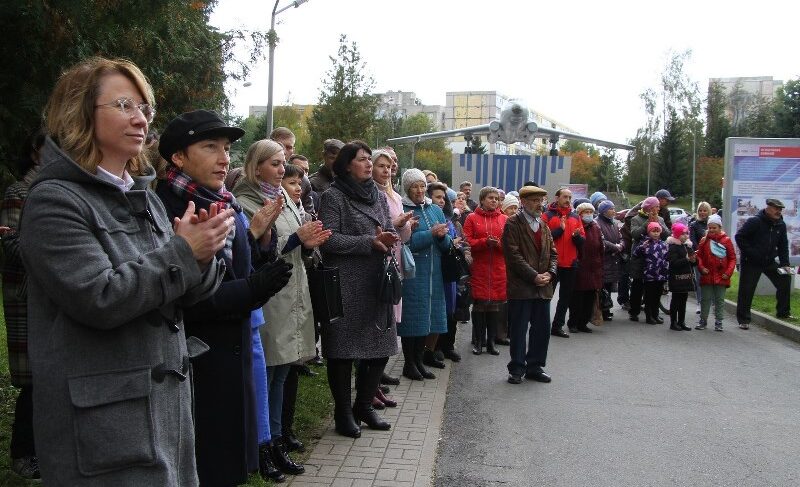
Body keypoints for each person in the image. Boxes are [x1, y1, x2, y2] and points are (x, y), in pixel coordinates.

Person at [19, 57, 233, 485]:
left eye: (144, 108)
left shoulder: (145, 196)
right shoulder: (54, 202)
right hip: (105, 427)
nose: (141, 119)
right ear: (79, 112)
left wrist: (204, 254)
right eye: (124, 105)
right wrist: (182, 253)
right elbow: (99, 297)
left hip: (163, 413)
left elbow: (184, 294)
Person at [157, 110, 294, 485]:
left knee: (229, 459)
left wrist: (261, 244)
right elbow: (186, 295)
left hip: (234, 348)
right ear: (179, 158)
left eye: (228, 148)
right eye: (210, 147)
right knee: (206, 462)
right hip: (198, 357)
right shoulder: (169, 207)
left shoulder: (224, 200)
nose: (224, 158)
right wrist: (252, 289)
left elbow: (236, 264)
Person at [234, 141, 331, 476]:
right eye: (275, 164)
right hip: (270, 297)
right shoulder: (246, 201)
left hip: (292, 291)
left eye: (284, 163)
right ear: (256, 165)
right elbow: (256, 250)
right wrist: (295, 240)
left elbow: (293, 242)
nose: (282, 170)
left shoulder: (284, 198)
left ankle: (276, 438)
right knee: (269, 372)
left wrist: (306, 244)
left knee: (284, 370)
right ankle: (263, 444)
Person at [318, 140, 399, 438]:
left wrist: (388, 236)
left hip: (376, 282)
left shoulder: (377, 195)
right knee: (342, 353)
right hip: (346, 283)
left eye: (369, 159)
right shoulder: (333, 196)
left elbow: (387, 226)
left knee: (380, 348)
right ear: (346, 164)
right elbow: (327, 239)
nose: (368, 164)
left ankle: (363, 405)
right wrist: (368, 242)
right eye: (362, 159)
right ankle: (342, 413)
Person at [1, 130, 45, 480]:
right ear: (35, 152)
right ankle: (23, 453)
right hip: (27, 296)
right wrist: (58, 248)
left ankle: (39, 449)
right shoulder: (20, 192)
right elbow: (12, 246)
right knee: (34, 377)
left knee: (48, 373)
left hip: (47, 295)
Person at [397, 170, 452, 378]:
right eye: (414, 186)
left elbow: (445, 245)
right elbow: (406, 242)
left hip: (434, 273)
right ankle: (408, 363)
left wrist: (441, 236)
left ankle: (419, 360)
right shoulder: (403, 209)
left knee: (427, 318)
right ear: (406, 188)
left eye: (422, 185)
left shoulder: (435, 209)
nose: (419, 190)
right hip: (413, 272)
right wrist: (431, 234)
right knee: (412, 318)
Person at [502, 184, 558, 384]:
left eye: (541, 200)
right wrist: (533, 275)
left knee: (542, 328)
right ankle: (517, 368)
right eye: (534, 200)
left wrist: (550, 273)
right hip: (522, 287)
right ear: (523, 202)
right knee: (518, 328)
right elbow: (513, 256)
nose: (539, 204)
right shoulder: (512, 224)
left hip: (543, 287)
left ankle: (535, 366)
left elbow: (553, 253)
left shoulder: (543, 225)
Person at [371, 149, 414, 403]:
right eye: (381, 165)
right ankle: (371, 385)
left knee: (390, 322)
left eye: (390, 166)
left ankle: (376, 380)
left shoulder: (394, 195)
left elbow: (402, 236)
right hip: (381, 261)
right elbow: (383, 227)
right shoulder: (373, 194)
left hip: (394, 261)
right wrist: (396, 225)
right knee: (380, 323)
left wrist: (405, 225)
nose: (387, 170)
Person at [735, 198, 793, 328]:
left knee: (784, 279)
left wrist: (785, 264)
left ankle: (783, 312)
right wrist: (752, 253)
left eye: (780, 209)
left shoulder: (780, 224)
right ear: (768, 208)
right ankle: (744, 320)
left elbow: (783, 245)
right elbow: (740, 237)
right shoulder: (755, 221)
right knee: (747, 290)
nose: (778, 212)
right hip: (751, 262)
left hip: (769, 261)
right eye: (776, 209)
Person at [463, 186, 507, 355]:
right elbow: (467, 241)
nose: (494, 200)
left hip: (497, 268)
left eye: (496, 198)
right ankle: (478, 341)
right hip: (479, 267)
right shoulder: (472, 218)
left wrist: (498, 245)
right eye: (490, 197)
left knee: (495, 306)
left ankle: (491, 342)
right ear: (482, 200)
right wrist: (484, 242)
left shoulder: (504, 219)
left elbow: (510, 246)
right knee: (480, 305)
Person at [435, 186, 472, 362]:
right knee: (438, 310)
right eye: (438, 198)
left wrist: (463, 250)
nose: (442, 201)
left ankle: (448, 345)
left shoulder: (453, 222)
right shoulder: (430, 218)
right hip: (437, 270)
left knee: (453, 309)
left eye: (445, 199)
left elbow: (464, 242)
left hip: (453, 271)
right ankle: (436, 347)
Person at [543, 188, 585, 337]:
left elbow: (582, 240)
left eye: (570, 197)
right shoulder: (547, 215)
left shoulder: (575, 217)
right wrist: (559, 231)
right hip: (552, 263)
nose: (567, 199)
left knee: (565, 297)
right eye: (565, 196)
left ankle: (557, 326)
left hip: (570, 263)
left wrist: (577, 237)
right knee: (547, 296)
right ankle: (542, 325)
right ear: (557, 197)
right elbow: (541, 238)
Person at [627, 197, 669, 322]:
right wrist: (647, 223)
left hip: (655, 260)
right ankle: (634, 311)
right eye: (656, 206)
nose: (658, 208)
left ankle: (653, 312)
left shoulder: (660, 219)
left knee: (654, 289)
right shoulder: (636, 219)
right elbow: (634, 234)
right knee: (637, 285)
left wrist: (658, 223)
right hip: (640, 258)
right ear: (649, 208)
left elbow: (667, 233)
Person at [567, 202, 604, 333]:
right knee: (577, 297)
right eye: (585, 212)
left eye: (590, 212)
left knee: (590, 297)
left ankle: (584, 322)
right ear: (579, 214)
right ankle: (573, 323)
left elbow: (600, 246)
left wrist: (600, 263)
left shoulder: (596, 227)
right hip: (580, 266)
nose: (589, 215)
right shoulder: (576, 225)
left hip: (594, 266)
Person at [696, 214, 736, 331]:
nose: (712, 230)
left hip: (722, 275)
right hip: (707, 274)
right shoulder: (704, 240)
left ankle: (719, 321)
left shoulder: (726, 241)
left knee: (719, 299)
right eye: (710, 228)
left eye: (715, 227)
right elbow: (699, 256)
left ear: (719, 227)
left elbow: (732, 258)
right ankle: (703, 320)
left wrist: (728, 273)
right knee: (705, 299)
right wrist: (702, 268)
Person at [634, 222, 670, 324]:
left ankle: (655, 314)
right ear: (649, 232)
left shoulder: (663, 244)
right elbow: (635, 254)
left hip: (661, 275)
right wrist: (642, 247)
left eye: (657, 231)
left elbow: (667, 258)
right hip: (649, 274)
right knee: (649, 296)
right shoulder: (645, 243)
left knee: (657, 296)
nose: (655, 233)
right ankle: (649, 316)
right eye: (653, 231)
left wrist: (666, 270)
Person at [595, 200, 624, 321]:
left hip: (613, 259)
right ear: (604, 211)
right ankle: (601, 310)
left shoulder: (614, 223)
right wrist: (615, 247)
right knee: (602, 286)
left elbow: (621, 237)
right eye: (611, 208)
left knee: (608, 284)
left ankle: (607, 308)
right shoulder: (597, 223)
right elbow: (601, 241)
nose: (614, 211)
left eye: (613, 208)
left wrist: (621, 244)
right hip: (604, 258)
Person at [666, 222, 696, 331]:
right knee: (676, 301)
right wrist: (686, 259)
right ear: (677, 235)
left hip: (686, 278)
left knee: (683, 300)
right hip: (676, 278)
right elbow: (673, 263)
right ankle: (673, 322)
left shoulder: (687, 246)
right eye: (683, 234)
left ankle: (681, 321)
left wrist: (693, 260)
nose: (686, 236)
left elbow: (692, 262)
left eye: (687, 233)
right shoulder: (673, 247)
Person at [688, 202, 711, 313]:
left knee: (711, 280)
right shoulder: (693, 224)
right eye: (700, 210)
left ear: (709, 211)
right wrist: (700, 251)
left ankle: (711, 302)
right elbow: (692, 240)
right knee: (699, 280)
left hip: (712, 256)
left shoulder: (712, 224)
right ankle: (700, 303)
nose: (702, 213)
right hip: (699, 256)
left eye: (705, 210)